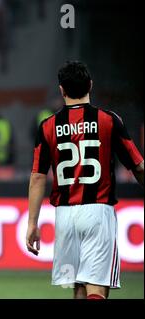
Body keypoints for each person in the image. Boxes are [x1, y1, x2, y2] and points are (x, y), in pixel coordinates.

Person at [26, 61, 144, 299]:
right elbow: (138, 166)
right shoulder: (109, 120)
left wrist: (32, 223)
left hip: (65, 216)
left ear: (62, 90)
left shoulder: (48, 125)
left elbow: (38, 176)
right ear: (90, 85)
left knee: (79, 285)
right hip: (98, 212)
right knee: (97, 287)